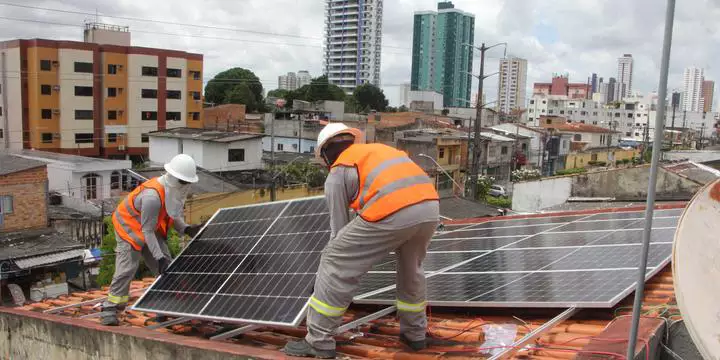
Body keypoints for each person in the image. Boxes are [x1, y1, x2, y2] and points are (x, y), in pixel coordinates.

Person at [284, 123, 440, 358]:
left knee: (334, 257)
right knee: (411, 269)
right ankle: (415, 335)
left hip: (394, 209)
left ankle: (318, 340)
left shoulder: (338, 170)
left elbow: (338, 231)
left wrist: (326, 279)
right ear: (351, 140)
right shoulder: (376, 151)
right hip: (430, 207)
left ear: (326, 154)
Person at [100, 154, 205, 326]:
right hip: (128, 227)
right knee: (127, 268)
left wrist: (185, 228)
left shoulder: (171, 192)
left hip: (148, 227)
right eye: (182, 181)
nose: (185, 185)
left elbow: (172, 214)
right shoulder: (152, 197)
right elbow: (146, 231)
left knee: (167, 268)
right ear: (172, 177)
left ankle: (164, 307)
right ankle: (110, 308)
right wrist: (159, 258)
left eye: (187, 182)